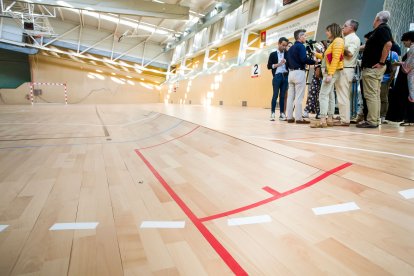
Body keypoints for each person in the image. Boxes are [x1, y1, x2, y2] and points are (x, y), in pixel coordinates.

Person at [357, 11, 393, 128]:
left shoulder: (383, 29)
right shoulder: (379, 31)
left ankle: (372, 121)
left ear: (377, 18)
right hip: (374, 68)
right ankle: (375, 119)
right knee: (375, 95)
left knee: (371, 95)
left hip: (373, 68)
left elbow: (388, 44)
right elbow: (369, 46)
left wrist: (381, 62)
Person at [311, 23, 345, 128]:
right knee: (329, 95)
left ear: (333, 31)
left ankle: (322, 120)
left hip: (331, 72)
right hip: (331, 71)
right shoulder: (335, 41)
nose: (326, 32)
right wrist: (315, 54)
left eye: (328, 30)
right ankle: (329, 119)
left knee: (323, 95)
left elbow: (336, 58)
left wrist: (330, 74)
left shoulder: (338, 41)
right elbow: (327, 57)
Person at [285, 29, 315, 124]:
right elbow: (304, 59)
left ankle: (289, 117)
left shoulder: (290, 49)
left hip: (291, 73)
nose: (306, 38)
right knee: (299, 97)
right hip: (299, 73)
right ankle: (298, 118)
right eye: (304, 36)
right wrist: (314, 61)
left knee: (290, 97)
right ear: (300, 37)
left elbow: (287, 63)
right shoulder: (301, 46)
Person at [334, 19, 361, 126]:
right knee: (343, 95)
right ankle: (344, 117)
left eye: (345, 26)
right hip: (344, 68)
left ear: (351, 28)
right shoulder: (346, 38)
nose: (342, 27)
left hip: (346, 68)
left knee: (343, 95)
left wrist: (339, 47)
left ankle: (345, 120)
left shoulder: (354, 38)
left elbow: (349, 53)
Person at [386, 31, 414, 125]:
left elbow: (408, 65)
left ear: (410, 40)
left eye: (405, 41)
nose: (404, 43)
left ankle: (410, 119)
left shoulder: (413, 48)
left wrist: (398, 63)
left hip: (411, 76)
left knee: (410, 96)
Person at [267, 37, 289, 121]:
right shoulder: (273, 54)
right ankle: (272, 113)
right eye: (283, 45)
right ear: (279, 44)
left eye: (285, 46)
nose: (284, 47)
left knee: (283, 96)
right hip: (277, 77)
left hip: (285, 76)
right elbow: (269, 66)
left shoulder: (287, 53)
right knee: (275, 95)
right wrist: (279, 64)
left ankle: (282, 114)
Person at [379, 49, 398, 123]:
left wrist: (390, 79)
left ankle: (383, 115)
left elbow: (394, 67)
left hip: (386, 79)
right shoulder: (378, 51)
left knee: (383, 97)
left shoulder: (393, 54)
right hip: (376, 77)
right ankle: (377, 114)